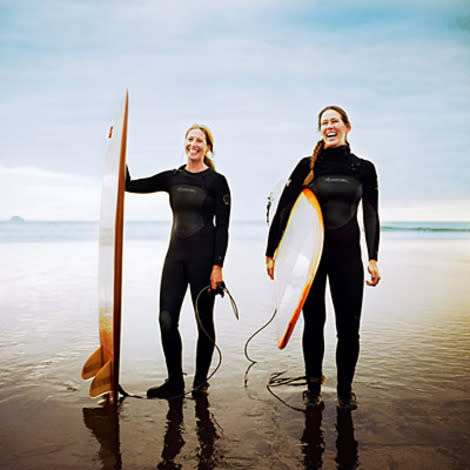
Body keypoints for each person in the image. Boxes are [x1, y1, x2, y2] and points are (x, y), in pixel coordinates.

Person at [265, 106, 380, 410]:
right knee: (313, 323)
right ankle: (313, 387)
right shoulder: (307, 165)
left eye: (334, 121)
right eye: (324, 123)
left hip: (348, 258)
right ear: (321, 129)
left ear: (347, 127)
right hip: (310, 259)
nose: (329, 126)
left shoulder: (363, 168)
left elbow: (370, 212)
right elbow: (285, 209)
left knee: (348, 327)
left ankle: (344, 391)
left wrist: (373, 257)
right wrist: (271, 251)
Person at [126, 124, 231, 399]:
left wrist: (217, 266)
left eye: (200, 140)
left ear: (208, 147)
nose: (194, 144)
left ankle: (199, 383)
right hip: (175, 259)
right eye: (190, 139)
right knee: (166, 320)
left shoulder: (217, 182)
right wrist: (117, 150)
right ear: (185, 143)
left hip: (204, 261)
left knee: (203, 323)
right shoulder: (172, 177)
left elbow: (223, 227)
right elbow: (129, 185)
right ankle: (175, 382)